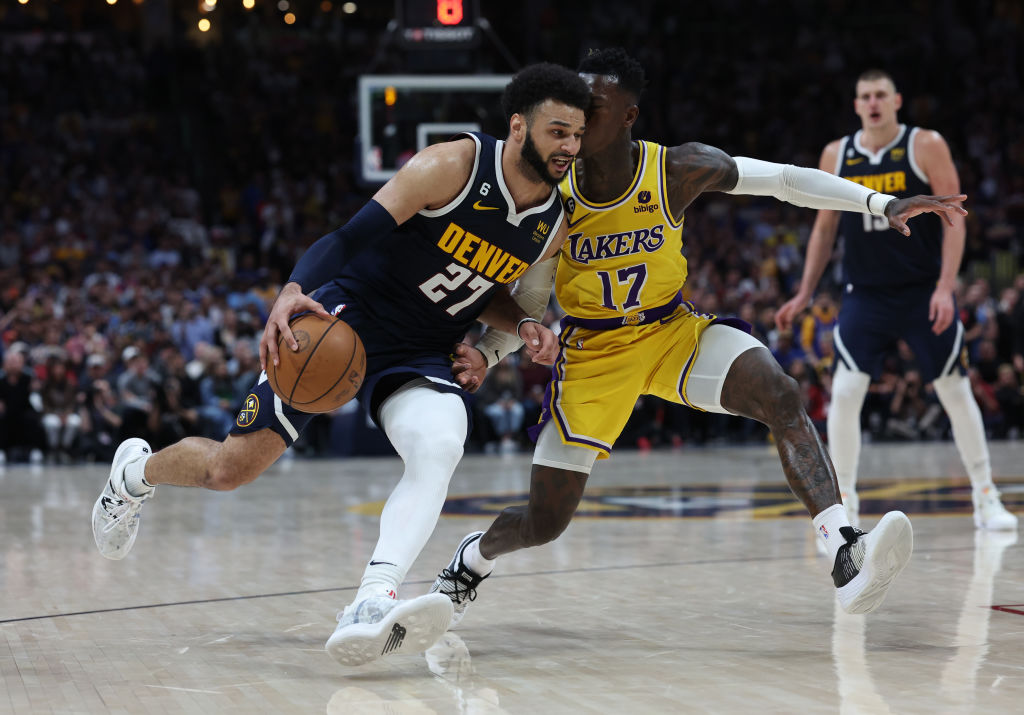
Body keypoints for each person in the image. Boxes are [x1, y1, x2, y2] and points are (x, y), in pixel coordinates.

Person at [430, 48, 969, 628]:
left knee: (780, 393)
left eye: (595, 105)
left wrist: (880, 202)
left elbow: (784, 182)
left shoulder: (677, 168)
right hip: (593, 354)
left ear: (629, 117)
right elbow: (533, 299)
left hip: (670, 331)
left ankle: (845, 549)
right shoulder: (552, 194)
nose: (581, 116)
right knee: (545, 521)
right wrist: (487, 352)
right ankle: (471, 560)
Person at [90, 62, 590, 666]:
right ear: (519, 127)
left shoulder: (554, 221)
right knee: (228, 470)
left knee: (441, 444)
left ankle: (373, 601)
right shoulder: (450, 166)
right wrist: (292, 289)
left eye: (577, 135)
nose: (569, 147)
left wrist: (526, 327)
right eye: (557, 131)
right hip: (342, 326)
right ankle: (133, 476)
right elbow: (349, 237)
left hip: (418, 349)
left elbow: (488, 291)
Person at [776, 69, 1017, 531]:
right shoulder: (837, 153)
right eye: (864, 96)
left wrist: (947, 286)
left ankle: (985, 497)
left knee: (954, 389)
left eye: (880, 95)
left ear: (897, 101)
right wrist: (806, 291)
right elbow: (825, 228)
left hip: (922, 290)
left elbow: (955, 216)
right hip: (865, 294)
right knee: (845, 393)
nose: (872, 102)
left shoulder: (925, 144)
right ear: (855, 105)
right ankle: (844, 500)